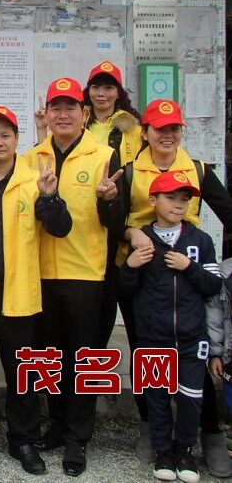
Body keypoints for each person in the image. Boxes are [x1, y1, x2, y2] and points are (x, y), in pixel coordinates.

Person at [114, 98, 232, 475]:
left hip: (189, 270)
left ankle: (209, 436)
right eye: (160, 128)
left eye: (174, 128)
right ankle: (154, 432)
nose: (167, 135)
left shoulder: (196, 169)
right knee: (148, 357)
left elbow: (227, 211)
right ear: (145, 132)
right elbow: (109, 221)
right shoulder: (130, 171)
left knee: (196, 359)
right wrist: (131, 233)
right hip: (145, 269)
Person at [0, 106, 72, 476]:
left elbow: (61, 228)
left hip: (17, 293)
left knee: (22, 372)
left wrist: (50, 197)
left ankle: (22, 438)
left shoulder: (35, 180)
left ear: (17, 139)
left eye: (5, 135)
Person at [23, 77, 121, 477]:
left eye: (70, 108)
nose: (63, 115)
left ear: (84, 114)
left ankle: (78, 437)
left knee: (85, 357)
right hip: (41, 273)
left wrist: (108, 201)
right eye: (56, 108)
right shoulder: (32, 157)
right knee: (50, 356)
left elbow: (116, 221)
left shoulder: (105, 155)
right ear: (46, 114)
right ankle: (58, 423)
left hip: (86, 274)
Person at [119, 170, 223, 483]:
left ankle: (185, 450)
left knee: (191, 397)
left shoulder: (200, 240)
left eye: (184, 199)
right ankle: (163, 450)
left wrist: (189, 267)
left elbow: (214, 284)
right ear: (153, 201)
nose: (178, 204)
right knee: (157, 396)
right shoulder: (143, 240)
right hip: (153, 336)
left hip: (192, 338)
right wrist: (130, 266)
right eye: (171, 197)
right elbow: (124, 290)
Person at [83, 60, 143, 351]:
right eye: (96, 87)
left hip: (118, 213)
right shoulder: (80, 122)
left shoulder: (132, 127)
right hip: (85, 214)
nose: (101, 94)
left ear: (118, 92)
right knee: (92, 290)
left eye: (108, 87)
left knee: (113, 287)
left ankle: (100, 351)